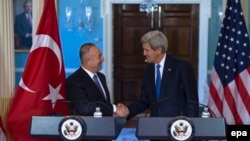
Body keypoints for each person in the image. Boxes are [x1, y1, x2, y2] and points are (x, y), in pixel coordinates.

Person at [117, 30, 199, 119]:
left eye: (147, 50)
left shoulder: (181, 67)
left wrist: (190, 124)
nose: (144, 53)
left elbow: (192, 101)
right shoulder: (148, 71)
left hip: (177, 125)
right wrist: (128, 110)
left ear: (159, 50)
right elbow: (144, 101)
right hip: (155, 124)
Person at [66, 43, 128, 117]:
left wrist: (117, 109)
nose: (103, 59)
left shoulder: (101, 77)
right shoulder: (74, 81)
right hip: (89, 127)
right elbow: (84, 108)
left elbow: (104, 103)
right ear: (89, 62)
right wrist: (114, 108)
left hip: (106, 125)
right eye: (99, 56)